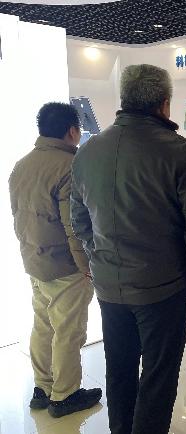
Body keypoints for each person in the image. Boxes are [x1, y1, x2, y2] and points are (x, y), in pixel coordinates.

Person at [71, 64, 186, 434]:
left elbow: (80, 219)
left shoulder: (88, 151)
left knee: (119, 369)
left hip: (109, 287)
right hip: (164, 288)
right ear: (164, 104)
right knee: (158, 375)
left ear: (124, 99)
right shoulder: (178, 151)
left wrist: (98, 259)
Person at [8, 102, 102, 418]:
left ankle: (43, 388)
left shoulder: (22, 165)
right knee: (68, 332)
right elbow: (74, 226)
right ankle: (65, 396)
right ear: (72, 131)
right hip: (65, 266)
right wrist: (87, 267)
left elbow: (18, 215)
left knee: (43, 325)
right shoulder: (70, 167)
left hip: (35, 262)